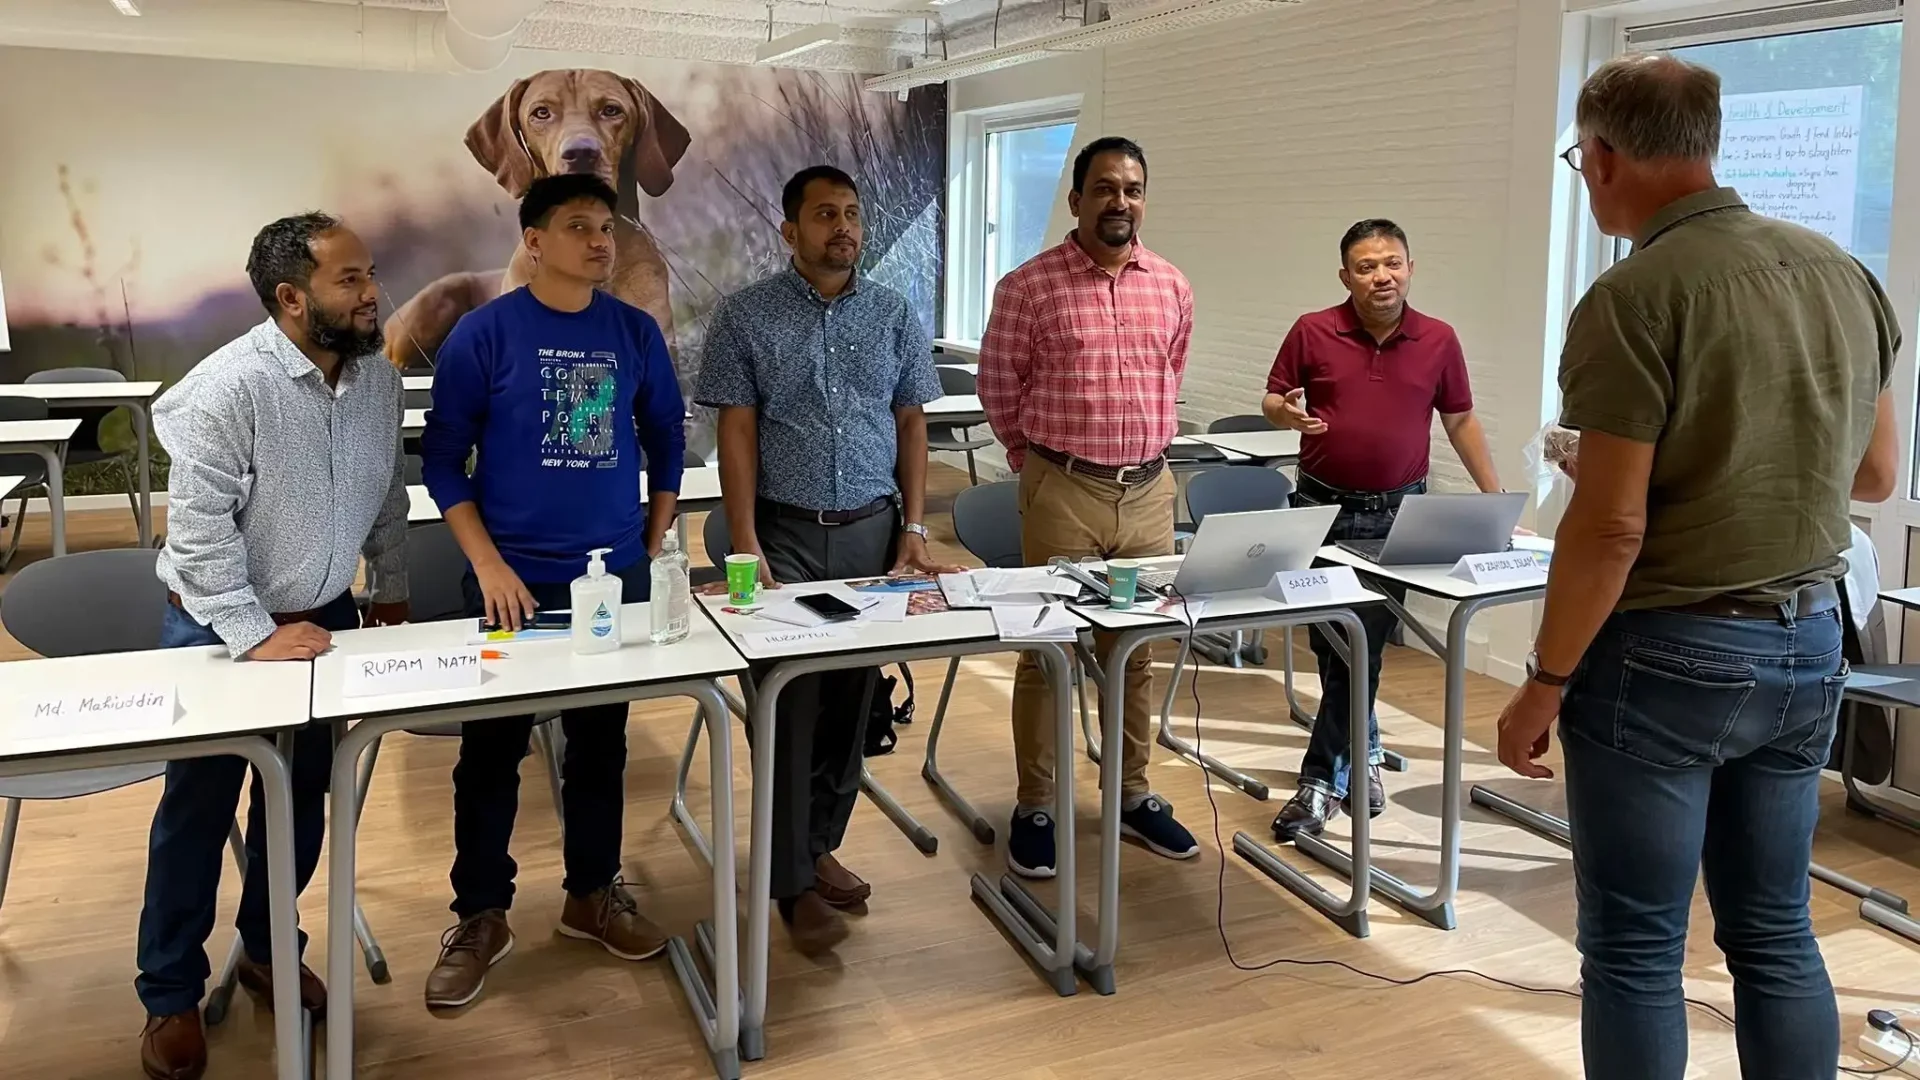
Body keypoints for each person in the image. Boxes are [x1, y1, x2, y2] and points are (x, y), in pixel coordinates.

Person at [1494, 54, 1899, 1079]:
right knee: (1773, 930)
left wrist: (1541, 684)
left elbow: (1612, 530)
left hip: (1668, 654)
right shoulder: (1844, 273)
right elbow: (1879, 471)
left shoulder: (1631, 298)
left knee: (1634, 947)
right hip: (1812, 640)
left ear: (1603, 156)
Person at [137, 212, 410, 1080]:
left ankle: (264, 947)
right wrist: (255, 636)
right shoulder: (226, 389)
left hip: (323, 614)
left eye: (370, 275)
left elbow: (387, 489)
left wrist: (391, 585)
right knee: (198, 810)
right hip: (221, 625)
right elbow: (200, 534)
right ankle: (170, 994)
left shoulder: (375, 379)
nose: (372, 296)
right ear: (292, 299)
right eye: (351, 281)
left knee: (302, 799)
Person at [418, 173, 687, 1009]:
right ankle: (482, 913)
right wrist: (490, 565)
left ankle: (591, 893)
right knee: (491, 751)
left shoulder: (633, 332)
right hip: (511, 583)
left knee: (600, 743)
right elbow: (440, 462)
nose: (601, 242)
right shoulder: (483, 335)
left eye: (606, 227)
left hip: (611, 582)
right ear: (533, 242)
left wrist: (653, 533)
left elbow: (667, 437)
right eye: (580, 227)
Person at [694, 164, 954, 952]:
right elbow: (734, 434)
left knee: (852, 705)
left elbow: (912, 423)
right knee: (789, 703)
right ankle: (788, 881)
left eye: (851, 214)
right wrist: (744, 541)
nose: (842, 227)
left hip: (873, 533)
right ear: (790, 230)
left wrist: (914, 526)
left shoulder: (893, 313)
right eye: (823, 215)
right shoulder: (746, 316)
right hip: (786, 536)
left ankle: (816, 848)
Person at [978, 135, 1200, 878]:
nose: (1120, 202)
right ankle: (1036, 803)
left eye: (1132, 189)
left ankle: (1131, 793)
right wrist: (1032, 466)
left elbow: (1171, 371)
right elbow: (999, 387)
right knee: (1048, 651)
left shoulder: (1171, 284)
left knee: (1132, 653)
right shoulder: (1028, 286)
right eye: (1104, 188)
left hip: (1147, 497)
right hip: (1064, 492)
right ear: (1075, 200)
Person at [1264, 219, 1504, 841]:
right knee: (1334, 650)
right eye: (1367, 266)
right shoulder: (1313, 329)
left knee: (1359, 650)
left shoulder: (1439, 340)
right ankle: (1363, 754)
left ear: (1411, 268)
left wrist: (1496, 500)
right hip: (1320, 512)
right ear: (1346, 276)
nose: (1382, 276)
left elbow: (1461, 421)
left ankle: (1319, 781)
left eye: (1392, 263)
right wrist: (1284, 411)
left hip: (1399, 519)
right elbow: (1272, 398)